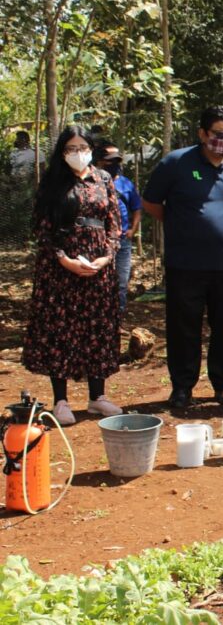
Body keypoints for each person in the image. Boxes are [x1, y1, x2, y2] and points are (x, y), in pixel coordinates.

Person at [142, 106, 223, 411]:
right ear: (202, 133)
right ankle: (182, 387)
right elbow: (152, 203)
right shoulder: (176, 163)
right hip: (186, 264)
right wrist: (183, 225)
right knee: (184, 327)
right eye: (220, 133)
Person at [22, 126, 123, 426]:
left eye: (83, 148)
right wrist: (63, 259)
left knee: (98, 328)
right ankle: (61, 401)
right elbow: (41, 227)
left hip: (98, 267)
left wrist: (106, 256)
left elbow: (114, 224)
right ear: (62, 152)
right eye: (71, 149)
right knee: (61, 329)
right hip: (60, 269)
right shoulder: (52, 182)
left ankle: (97, 397)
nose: (78, 154)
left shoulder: (103, 179)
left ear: (91, 150)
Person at [93, 142, 141, 315]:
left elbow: (137, 208)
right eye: (109, 160)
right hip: (98, 241)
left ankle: (117, 316)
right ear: (99, 161)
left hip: (122, 241)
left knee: (121, 281)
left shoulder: (126, 184)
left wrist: (132, 230)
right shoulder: (90, 183)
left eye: (117, 160)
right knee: (98, 281)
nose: (114, 164)